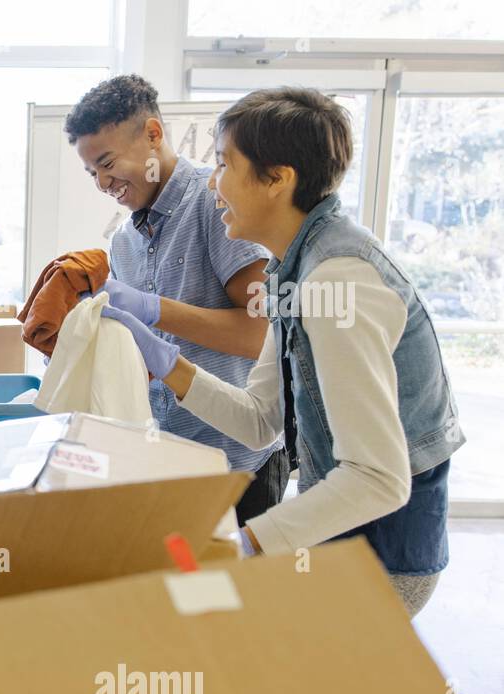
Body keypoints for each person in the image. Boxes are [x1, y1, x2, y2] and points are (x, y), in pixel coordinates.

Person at [103, 87, 464, 617]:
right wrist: (169, 368)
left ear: (278, 178)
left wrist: (246, 543)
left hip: (383, 555)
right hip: (340, 535)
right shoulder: (294, 271)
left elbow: (377, 478)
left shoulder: (338, 280)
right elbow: (259, 420)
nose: (213, 182)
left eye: (225, 164)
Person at [65, 75, 288, 524]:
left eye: (108, 163)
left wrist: (153, 310)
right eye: (92, 172)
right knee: (183, 590)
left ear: (152, 134)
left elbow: (260, 333)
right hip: (169, 463)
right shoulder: (125, 241)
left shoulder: (217, 203)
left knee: (234, 591)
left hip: (238, 465)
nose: (102, 182)